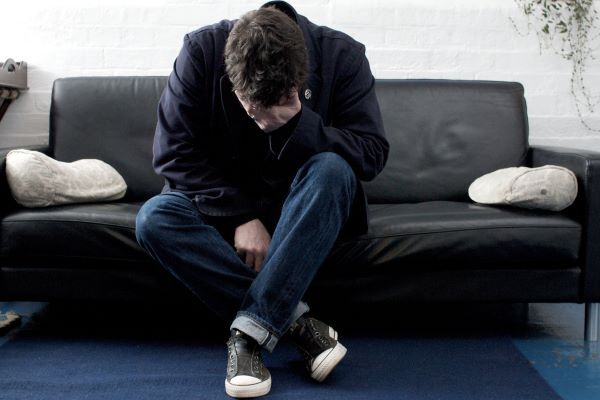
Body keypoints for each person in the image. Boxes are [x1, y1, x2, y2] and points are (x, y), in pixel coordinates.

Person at [135, 1, 389, 398]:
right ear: (232, 80)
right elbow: (171, 154)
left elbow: (371, 154)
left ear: (298, 84)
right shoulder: (200, 51)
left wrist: (300, 123)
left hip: (307, 211)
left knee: (332, 169)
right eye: (251, 109)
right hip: (220, 209)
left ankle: (246, 339)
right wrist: (241, 215)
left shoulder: (344, 54)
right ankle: (298, 326)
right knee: (154, 217)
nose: (260, 120)